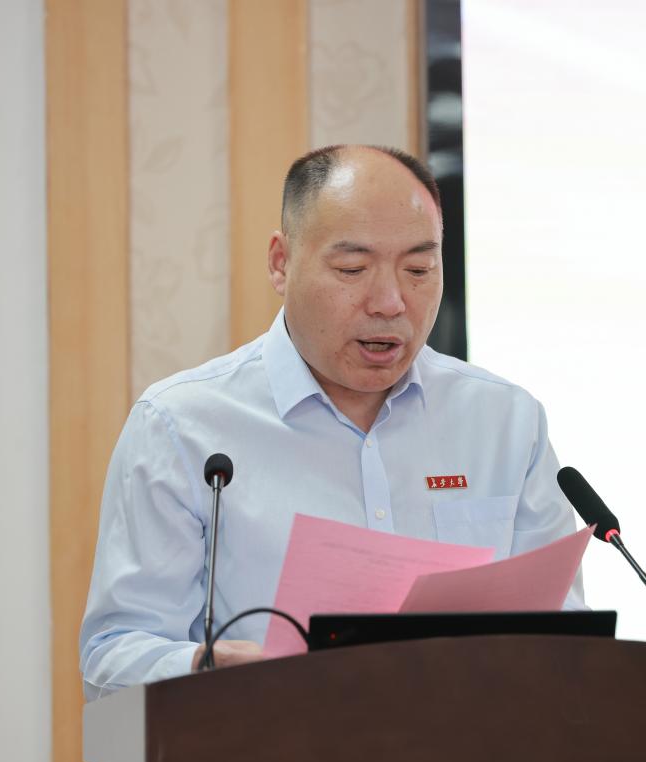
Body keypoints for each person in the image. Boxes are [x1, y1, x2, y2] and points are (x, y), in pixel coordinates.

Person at [79, 145, 583, 700]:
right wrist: (205, 669)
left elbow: (566, 640)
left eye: (419, 270)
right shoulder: (183, 427)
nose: (390, 302)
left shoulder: (504, 422)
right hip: (268, 744)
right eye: (352, 269)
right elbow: (113, 653)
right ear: (281, 262)